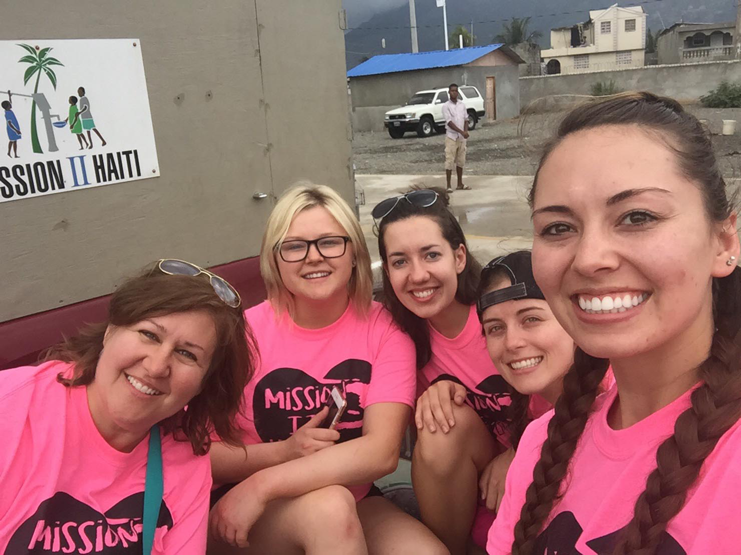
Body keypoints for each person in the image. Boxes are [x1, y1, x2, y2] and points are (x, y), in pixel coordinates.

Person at [488, 92, 741, 555]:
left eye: (637, 217)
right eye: (559, 228)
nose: (589, 259)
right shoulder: (542, 446)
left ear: (724, 239)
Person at [208, 184, 446, 554]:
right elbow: (199, 454)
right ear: (274, 260)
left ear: (354, 253)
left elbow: (381, 452)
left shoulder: (385, 330)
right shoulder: (240, 335)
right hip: (242, 506)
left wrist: (265, 483)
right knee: (328, 510)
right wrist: (279, 457)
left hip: (350, 499)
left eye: (330, 242)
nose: (314, 257)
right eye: (295, 246)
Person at [0, 259, 255, 554]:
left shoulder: (186, 461)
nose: (157, 366)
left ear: (202, 385)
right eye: (149, 335)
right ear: (111, 331)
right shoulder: (12, 407)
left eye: (186, 354)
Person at [374, 188, 520, 554]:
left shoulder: (502, 316)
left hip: (545, 453)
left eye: (431, 255)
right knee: (441, 422)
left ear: (458, 257)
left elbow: (576, 395)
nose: (418, 275)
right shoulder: (399, 336)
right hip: (476, 471)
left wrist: (519, 451)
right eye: (399, 262)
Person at [442, 83, 470, 192]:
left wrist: (465, 131)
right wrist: (461, 131)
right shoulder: (446, 106)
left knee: (460, 160)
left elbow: (466, 119)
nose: (454, 92)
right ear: (449, 92)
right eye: (452, 91)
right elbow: (449, 122)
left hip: (462, 138)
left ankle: (460, 183)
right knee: (449, 160)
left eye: (456, 91)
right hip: (451, 137)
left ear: (458, 92)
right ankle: (448, 185)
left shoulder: (462, 105)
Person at [3, 92, 21, 158]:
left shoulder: (9, 111)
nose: (11, 105)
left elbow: (11, 103)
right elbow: (10, 124)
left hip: (13, 128)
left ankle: (10, 153)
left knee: (12, 141)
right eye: (9, 104)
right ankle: (14, 154)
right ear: (7, 106)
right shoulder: (8, 113)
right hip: (12, 129)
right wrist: (16, 130)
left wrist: (9, 96)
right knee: (13, 141)